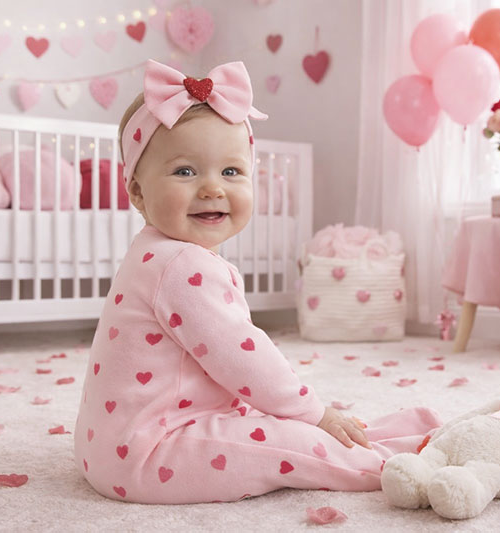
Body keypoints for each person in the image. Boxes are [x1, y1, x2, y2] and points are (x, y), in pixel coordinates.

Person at [73, 60, 441, 504]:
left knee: (279, 420)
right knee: (289, 443)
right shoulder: (181, 266)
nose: (212, 188)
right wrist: (314, 412)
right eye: (185, 171)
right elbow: (246, 362)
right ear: (137, 191)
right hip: (149, 455)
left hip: (114, 446)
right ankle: (395, 463)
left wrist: (308, 414)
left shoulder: (154, 252)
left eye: (231, 172)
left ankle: (380, 435)